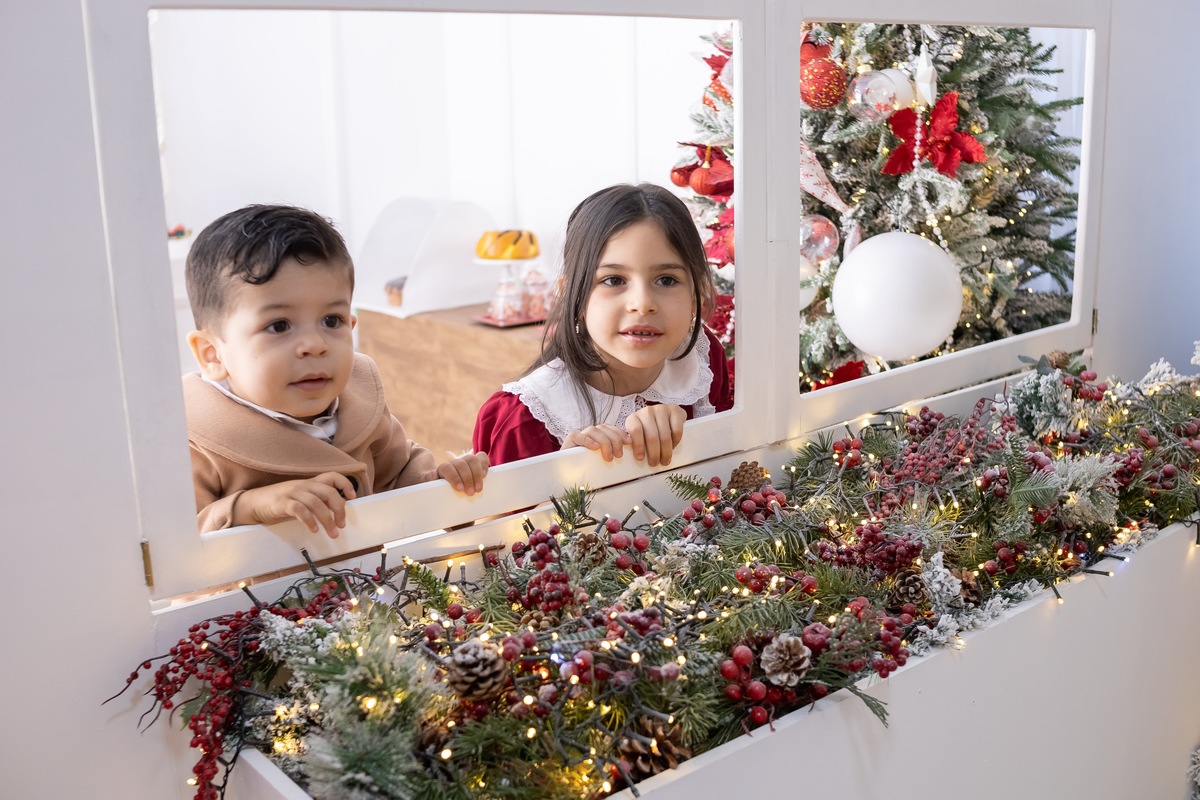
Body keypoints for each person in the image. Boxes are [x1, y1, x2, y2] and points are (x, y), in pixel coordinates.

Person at [183, 204, 488, 536]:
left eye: (332, 321)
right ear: (212, 354)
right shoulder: (194, 437)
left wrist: (442, 484)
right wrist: (250, 507)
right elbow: (177, 551)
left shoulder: (359, 398)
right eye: (279, 326)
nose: (315, 344)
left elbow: (397, 471)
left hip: (378, 582)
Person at [473, 183, 733, 467]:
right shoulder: (522, 420)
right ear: (572, 295)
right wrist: (567, 478)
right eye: (614, 280)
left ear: (696, 295)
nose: (642, 304)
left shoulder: (701, 362)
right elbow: (497, 514)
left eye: (667, 280)